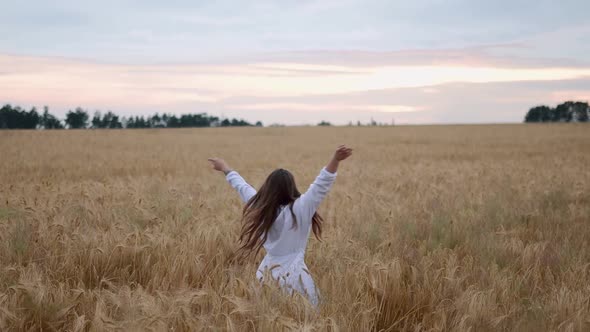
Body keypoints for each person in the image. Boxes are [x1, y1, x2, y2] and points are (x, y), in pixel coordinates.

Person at [208, 145, 353, 306]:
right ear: (292, 187)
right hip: (296, 278)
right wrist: (335, 159)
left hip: (266, 275)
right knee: (306, 318)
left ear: (268, 188)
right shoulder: (301, 208)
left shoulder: (260, 206)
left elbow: (242, 187)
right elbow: (321, 184)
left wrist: (225, 168)